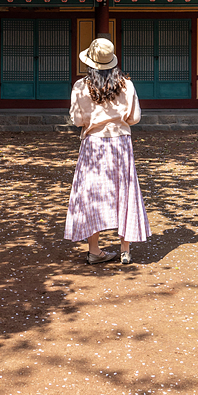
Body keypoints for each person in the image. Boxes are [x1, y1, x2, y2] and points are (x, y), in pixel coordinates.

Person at [64, 38, 150, 265]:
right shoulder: (126, 85)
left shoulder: (81, 87)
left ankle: (94, 250)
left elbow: (77, 120)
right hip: (120, 142)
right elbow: (134, 118)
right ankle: (125, 249)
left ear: (90, 63)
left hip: (93, 143)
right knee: (125, 190)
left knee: (91, 193)